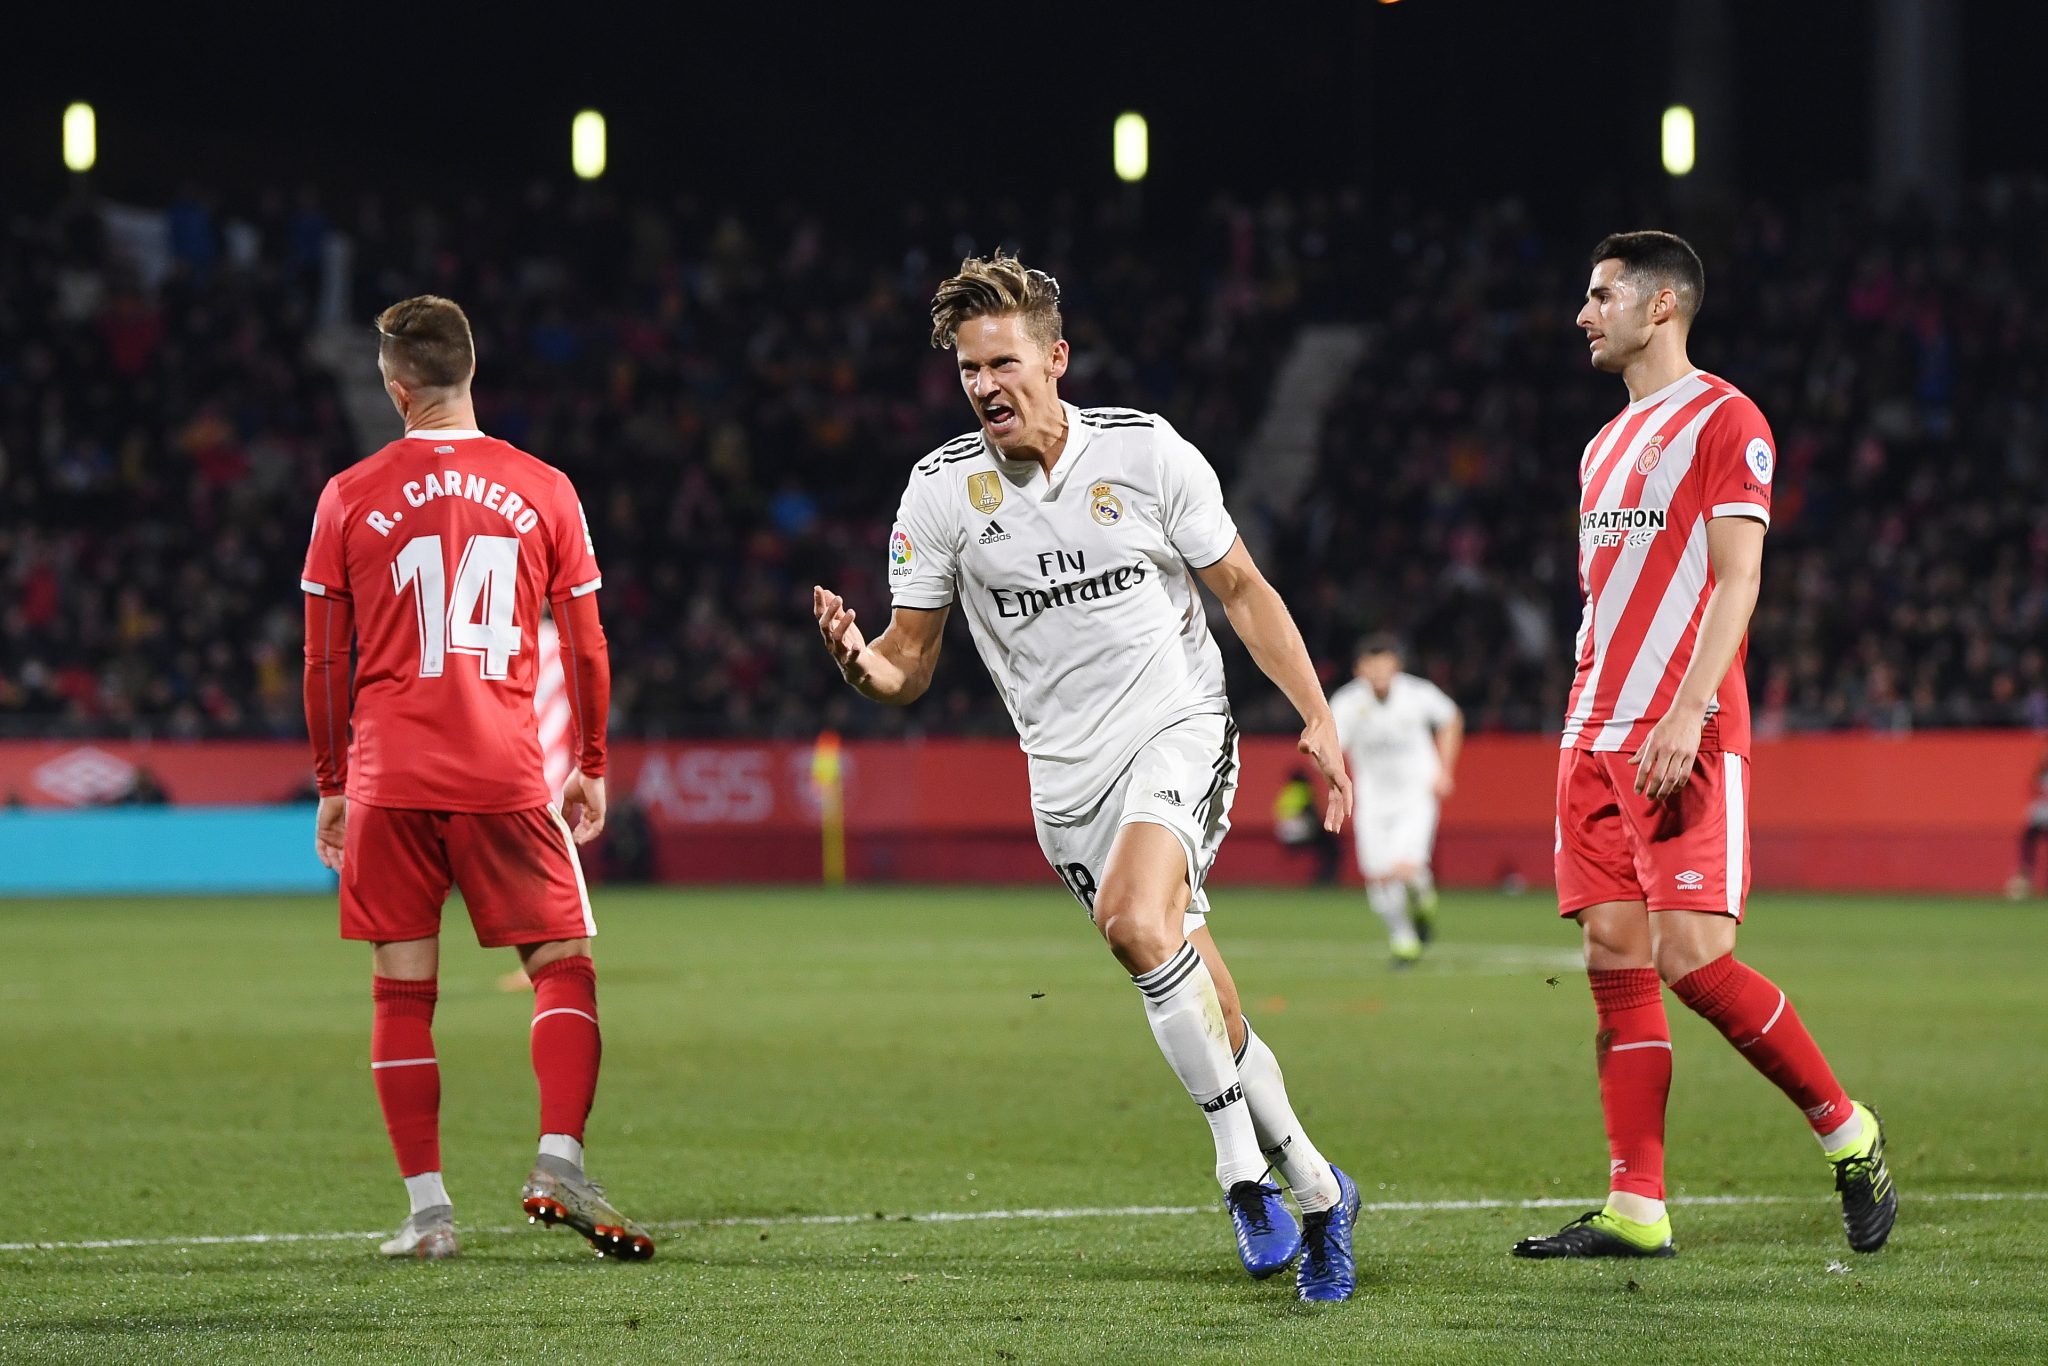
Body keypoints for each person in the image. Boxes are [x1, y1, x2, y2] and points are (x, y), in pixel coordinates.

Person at [812, 252, 1363, 1302]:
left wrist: (1317, 714)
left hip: (1177, 728)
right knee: (1208, 1000)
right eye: (969, 369)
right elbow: (907, 665)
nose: (985, 386)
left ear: (1055, 359)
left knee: (1132, 920)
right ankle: (1320, 1188)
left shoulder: (1144, 453)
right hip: (1064, 784)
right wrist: (857, 662)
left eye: (1003, 363)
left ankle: (1237, 1172)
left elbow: (1241, 588)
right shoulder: (940, 493)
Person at [1513, 233, 1896, 1260]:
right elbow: (1604, 600)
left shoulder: (1727, 419)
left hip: (1682, 727)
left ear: (1662, 305)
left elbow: (1738, 578)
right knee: (1612, 955)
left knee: (1693, 958)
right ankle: (1635, 1204)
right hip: (1592, 731)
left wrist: (1688, 711)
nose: (1582, 315)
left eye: (1601, 296)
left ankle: (1847, 1131)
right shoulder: (1600, 446)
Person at [301, 295, 651, 1261]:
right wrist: (590, 763)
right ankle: (558, 1159)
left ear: (393, 385)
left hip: (388, 777)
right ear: (470, 371)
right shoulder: (546, 488)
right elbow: (586, 645)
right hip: (503, 770)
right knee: (562, 967)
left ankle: (428, 1215)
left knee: (400, 993)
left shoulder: (347, 495)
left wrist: (332, 781)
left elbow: (323, 661)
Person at [1328, 634, 1462, 965]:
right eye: (1371, 665)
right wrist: (1334, 779)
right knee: (1378, 875)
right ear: (1359, 669)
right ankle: (1404, 940)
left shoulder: (1417, 693)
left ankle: (1422, 899)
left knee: (1406, 869)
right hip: (1372, 802)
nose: (1378, 672)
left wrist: (1445, 770)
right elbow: (1331, 746)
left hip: (1416, 796)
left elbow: (1451, 719)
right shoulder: (1347, 702)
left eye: (1384, 664)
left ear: (1397, 666)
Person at [2005, 750, 2048, 899]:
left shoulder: (2040, 777)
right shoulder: (2040, 776)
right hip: (2039, 818)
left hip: (2042, 817)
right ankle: (2025, 875)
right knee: (2027, 847)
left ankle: (2026, 876)